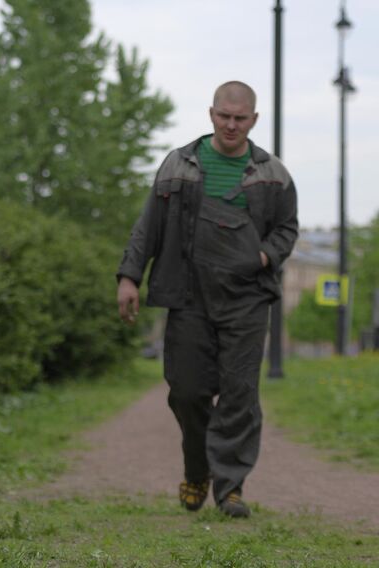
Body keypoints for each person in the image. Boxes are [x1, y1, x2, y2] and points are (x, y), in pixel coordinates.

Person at [116, 81, 298, 518]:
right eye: (224, 116)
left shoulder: (272, 175)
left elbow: (287, 229)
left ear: (254, 120)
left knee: (239, 395)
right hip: (188, 295)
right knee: (187, 391)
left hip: (247, 299)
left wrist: (263, 254)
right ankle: (198, 470)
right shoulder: (179, 165)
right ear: (211, 114)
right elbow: (149, 226)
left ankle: (230, 488)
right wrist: (129, 277)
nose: (231, 124)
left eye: (240, 118)